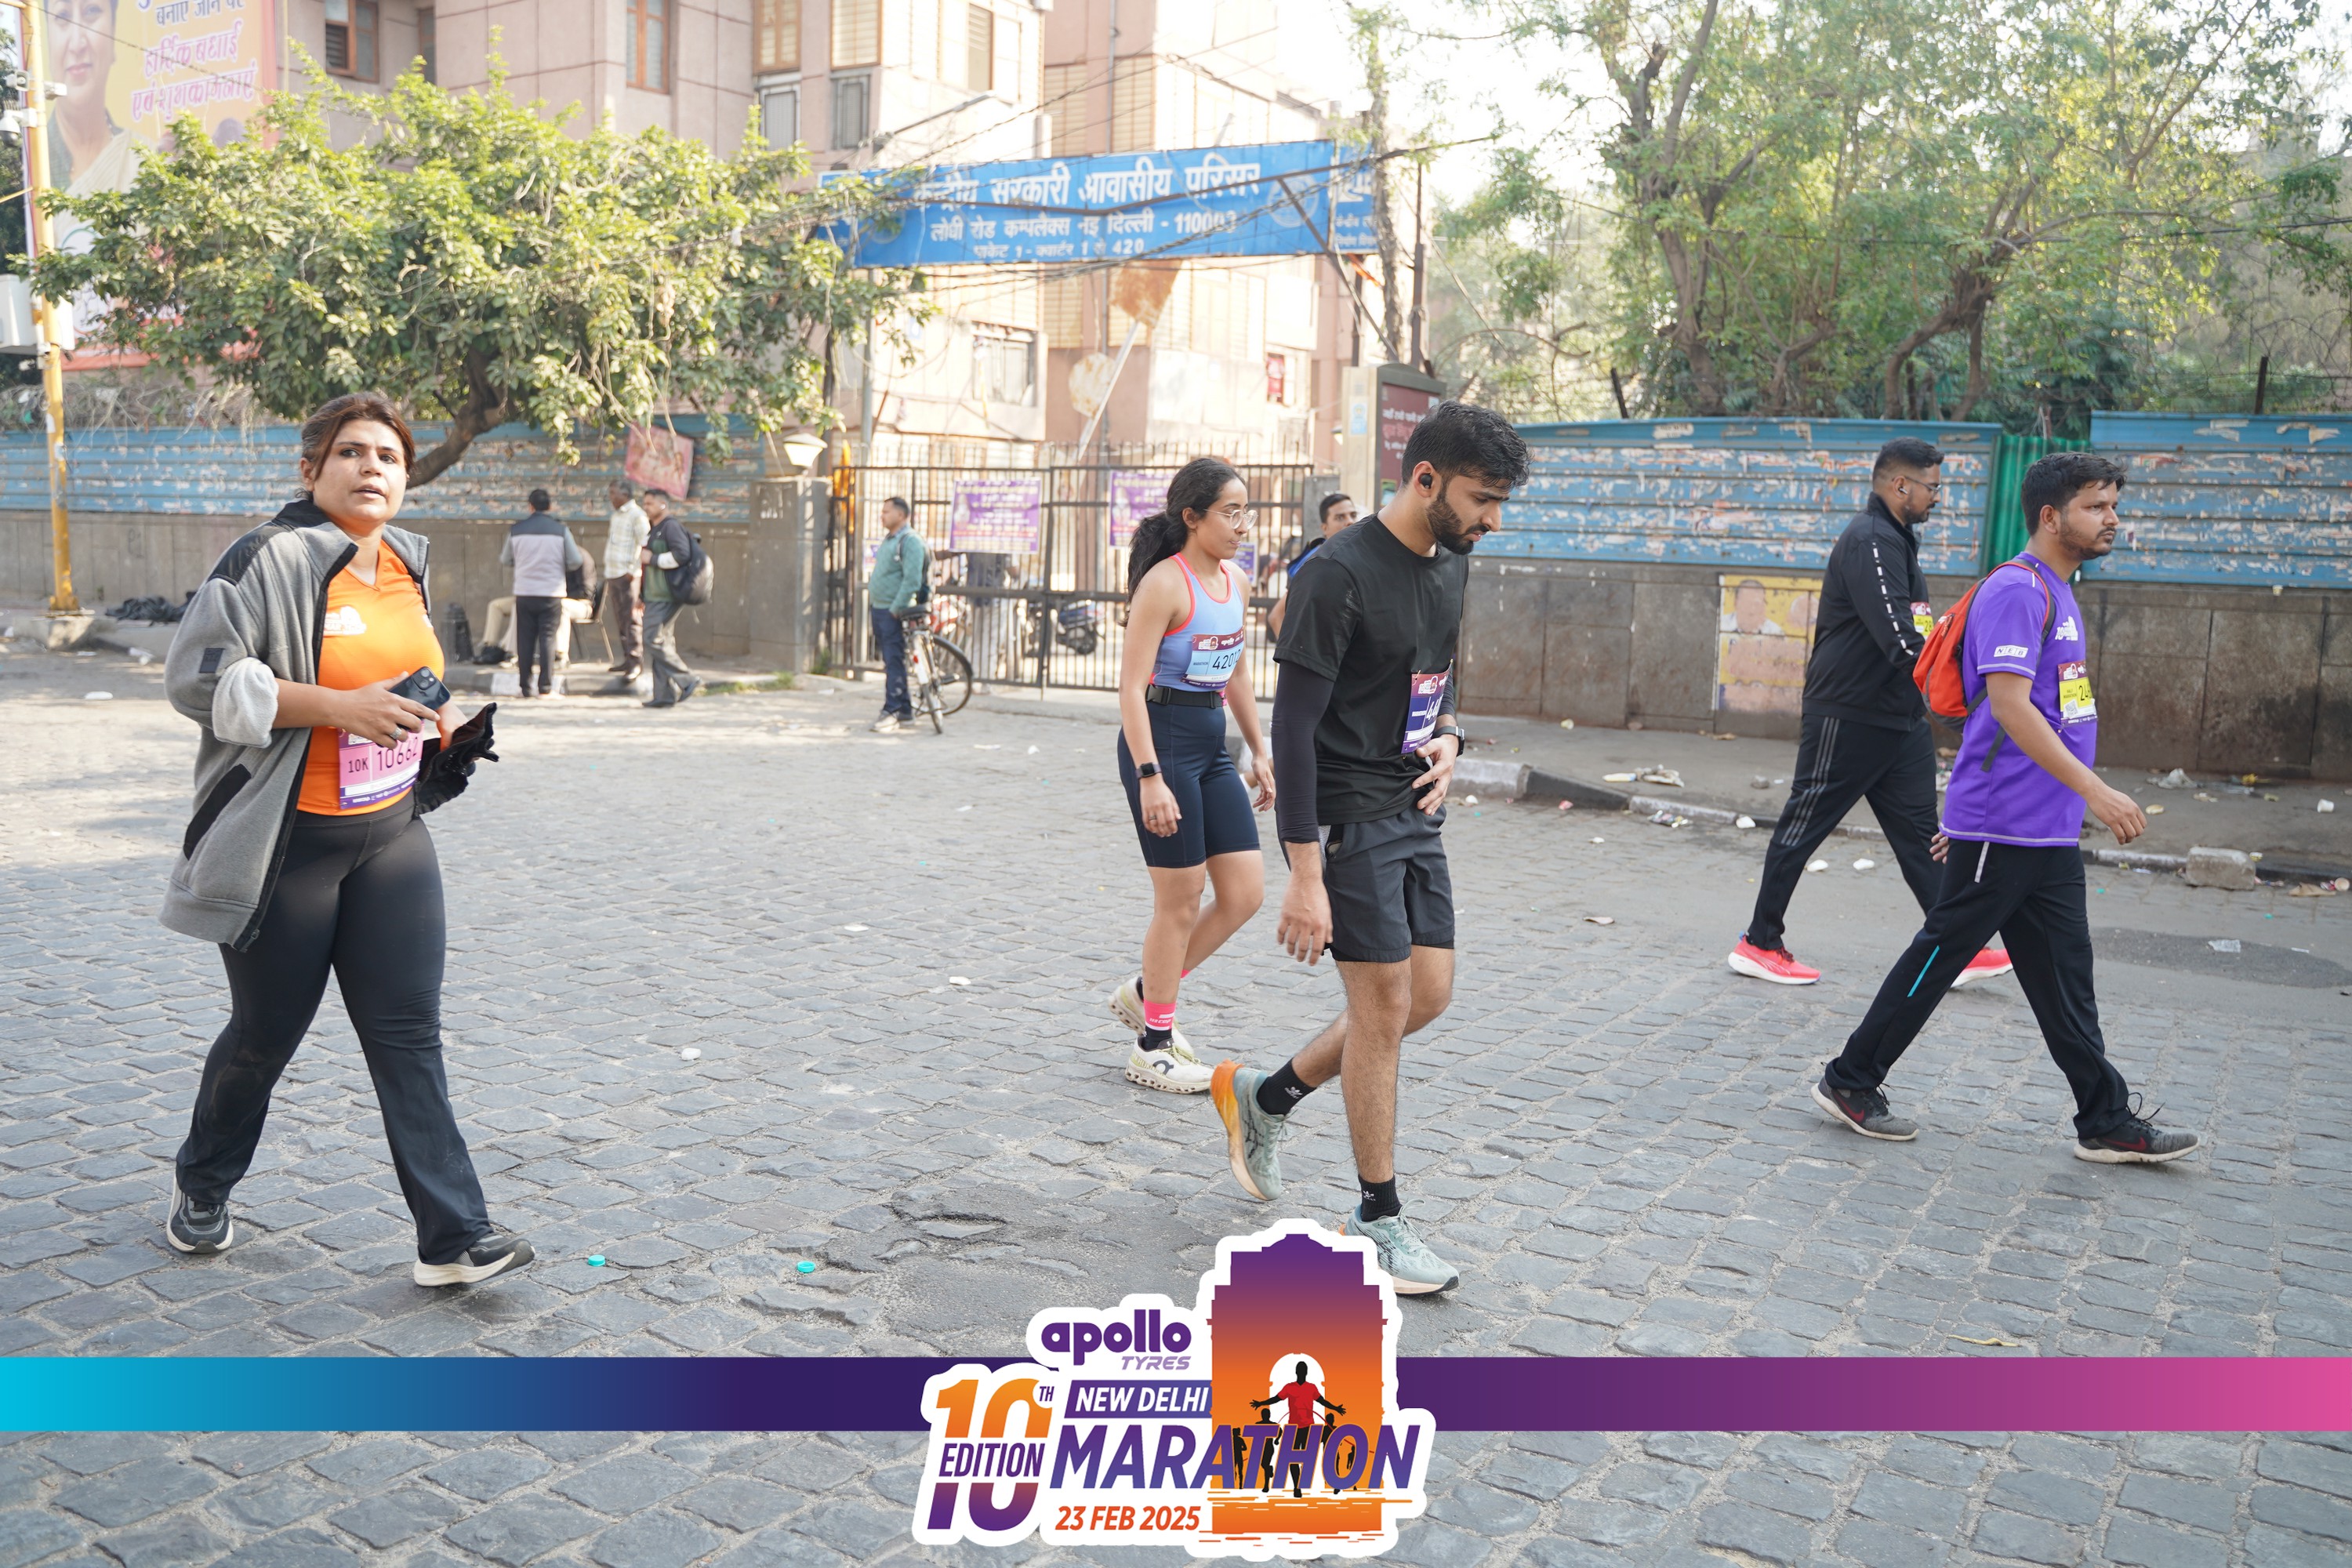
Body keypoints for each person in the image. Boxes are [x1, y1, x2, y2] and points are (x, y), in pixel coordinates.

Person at [157, 391, 532, 1286]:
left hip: (390, 835)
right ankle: (203, 1183)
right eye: (352, 452)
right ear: (311, 469)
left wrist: (438, 722)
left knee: (408, 1032)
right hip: (290, 844)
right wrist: (336, 707)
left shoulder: (405, 560)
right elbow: (197, 679)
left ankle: (454, 1237)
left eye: (389, 456)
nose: (373, 468)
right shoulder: (269, 557)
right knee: (265, 1033)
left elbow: (403, 678)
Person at [1207, 402, 1529, 1296]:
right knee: (1383, 1006)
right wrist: (1304, 873)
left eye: (1500, 502)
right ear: (1425, 479)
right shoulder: (1335, 575)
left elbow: (1440, 674)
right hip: (1347, 814)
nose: (1493, 519)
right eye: (1483, 499)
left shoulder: (1452, 559)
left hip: (1413, 803)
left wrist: (1450, 735)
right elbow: (1294, 730)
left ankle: (1265, 1096)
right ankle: (1377, 1219)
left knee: (1427, 994)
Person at [1815, 452, 2201, 1164]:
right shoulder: (2018, 591)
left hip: (2042, 829)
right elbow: (2011, 708)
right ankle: (1850, 1078)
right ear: (2051, 516)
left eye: (2114, 506)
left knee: (2066, 978)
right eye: (2095, 506)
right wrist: (2092, 791)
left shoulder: (2058, 590)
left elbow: (2055, 708)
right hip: (2006, 824)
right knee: (1940, 956)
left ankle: (2104, 1118)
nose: (2112, 519)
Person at [1727, 438, 2013, 989]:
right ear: (1900, 486)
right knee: (1804, 825)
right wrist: (1964, 704)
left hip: (1898, 718)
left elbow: (1917, 632)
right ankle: (1759, 943)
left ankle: (1956, 946)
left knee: (1924, 835)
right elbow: (1900, 637)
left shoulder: (1898, 541)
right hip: (1850, 714)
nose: (1938, 498)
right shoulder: (1871, 540)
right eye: (1932, 487)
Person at [1108, 459, 1277, 1094]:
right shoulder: (1164, 584)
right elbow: (1130, 688)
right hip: (1163, 743)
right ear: (1192, 517)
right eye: (1230, 512)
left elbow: (1236, 672)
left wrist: (1259, 749)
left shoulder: (1237, 582)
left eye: (1245, 511)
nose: (1243, 525)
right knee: (1179, 899)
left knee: (1244, 892)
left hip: (1210, 744)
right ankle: (1153, 1046)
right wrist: (1149, 776)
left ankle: (1148, 991)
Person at [500, 488, 584, 699]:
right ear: (550, 506)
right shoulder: (561, 530)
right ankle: (545, 689)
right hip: (552, 593)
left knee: (525, 640)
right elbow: (575, 560)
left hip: (525, 592)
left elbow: (505, 559)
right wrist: (559, 565)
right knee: (548, 638)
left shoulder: (516, 530)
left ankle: (525, 689)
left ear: (530, 507)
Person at [637, 488, 703, 708]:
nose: (646, 507)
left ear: (663, 504)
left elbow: (682, 555)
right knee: (661, 641)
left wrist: (653, 559)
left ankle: (687, 679)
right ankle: (664, 695)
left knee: (652, 639)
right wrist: (642, 593)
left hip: (666, 594)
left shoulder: (671, 527)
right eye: (645, 503)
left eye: (650, 503)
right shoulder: (655, 528)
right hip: (654, 593)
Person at [868, 497, 928, 733]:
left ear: (901, 515)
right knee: (891, 659)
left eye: (886, 512)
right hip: (880, 608)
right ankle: (904, 710)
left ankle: (891, 710)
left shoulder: (910, 541)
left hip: (893, 611)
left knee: (894, 660)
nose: (882, 515)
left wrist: (895, 609)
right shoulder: (890, 539)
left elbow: (912, 580)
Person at [1266, 492, 1359, 639]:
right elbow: (1276, 616)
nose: (1350, 522)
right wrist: (1290, 653)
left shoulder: (1353, 557)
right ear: (1325, 528)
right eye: (1340, 517)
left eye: (1353, 515)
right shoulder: (1318, 562)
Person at [1250, 1360, 1345, 1497]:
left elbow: (1322, 1401)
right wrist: (1261, 1403)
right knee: (1292, 1459)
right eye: (1300, 1370)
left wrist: (1335, 1408)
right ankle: (1297, 1487)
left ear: (1306, 1372)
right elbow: (1276, 1399)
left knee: (1310, 1459)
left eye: (1303, 1370)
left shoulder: (1311, 1388)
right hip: (1293, 1429)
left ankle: (1334, 1482)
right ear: (1297, 1372)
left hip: (1309, 1428)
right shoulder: (1289, 1387)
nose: (1301, 1372)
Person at [602, 479, 649, 679]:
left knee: (632, 619)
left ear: (625, 494)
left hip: (628, 576)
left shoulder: (637, 515)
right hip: (613, 573)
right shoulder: (616, 515)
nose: (611, 497)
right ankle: (627, 659)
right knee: (621, 619)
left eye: (614, 493)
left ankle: (636, 662)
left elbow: (645, 543)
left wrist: (633, 569)